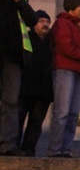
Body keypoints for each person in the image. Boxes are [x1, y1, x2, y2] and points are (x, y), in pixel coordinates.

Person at [47, 0, 80, 158]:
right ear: (73, 7)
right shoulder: (63, 24)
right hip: (65, 69)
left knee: (73, 112)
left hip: (77, 70)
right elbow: (67, 47)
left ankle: (65, 148)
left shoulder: (75, 26)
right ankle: (55, 149)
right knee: (62, 111)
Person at [0, 0, 37, 157]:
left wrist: (18, 1)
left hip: (14, 57)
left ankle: (7, 144)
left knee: (11, 101)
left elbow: (33, 21)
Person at [17, 11, 53, 157]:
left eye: (47, 21)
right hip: (24, 88)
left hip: (43, 90)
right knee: (18, 119)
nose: (45, 24)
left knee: (36, 123)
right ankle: (13, 146)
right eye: (41, 21)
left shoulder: (52, 41)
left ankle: (29, 149)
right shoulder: (26, 39)